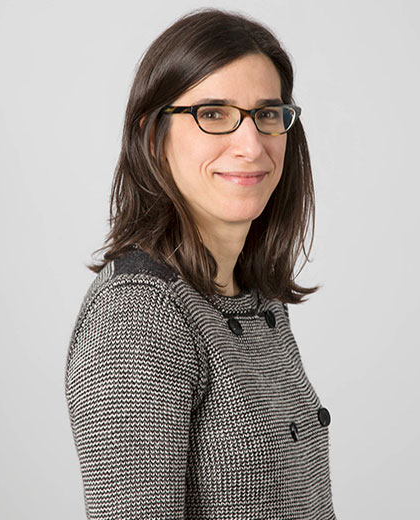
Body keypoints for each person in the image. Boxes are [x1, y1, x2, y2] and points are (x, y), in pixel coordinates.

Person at [64, 7, 337, 520]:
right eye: (213, 113)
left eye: (267, 114)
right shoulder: (140, 317)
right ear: (152, 135)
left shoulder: (253, 297)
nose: (251, 144)